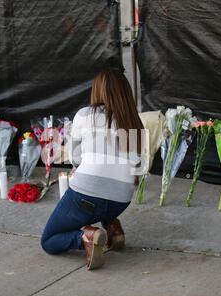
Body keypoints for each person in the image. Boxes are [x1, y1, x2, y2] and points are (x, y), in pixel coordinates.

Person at [41, 68, 144, 270]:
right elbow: (138, 166)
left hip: (86, 197)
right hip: (121, 200)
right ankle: (113, 228)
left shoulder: (84, 115)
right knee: (107, 188)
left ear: (97, 91)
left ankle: (86, 237)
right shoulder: (134, 121)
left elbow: (75, 157)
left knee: (49, 240)